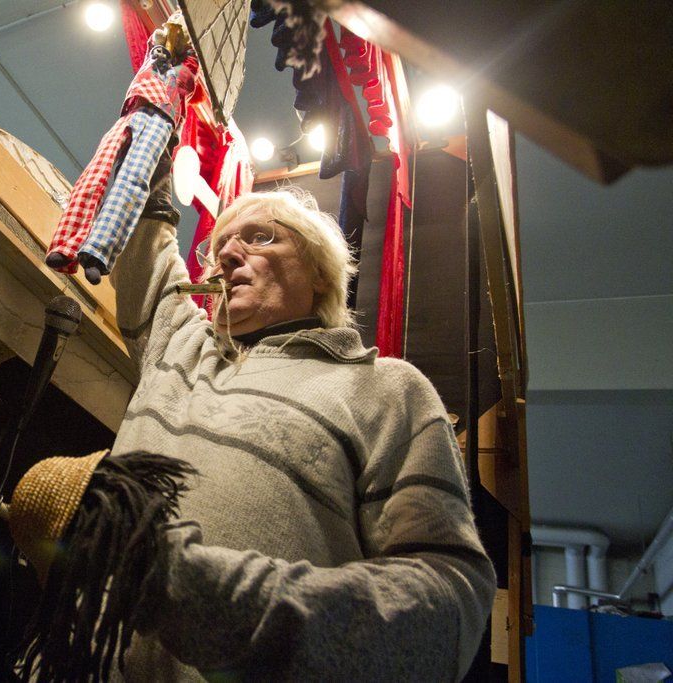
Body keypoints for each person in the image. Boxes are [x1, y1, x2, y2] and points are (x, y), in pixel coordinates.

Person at [104, 176, 496, 681]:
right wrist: (151, 170)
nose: (226, 256)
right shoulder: (180, 345)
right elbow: (146, 245)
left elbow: (448, 602)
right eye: (218, 248)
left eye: (260, 237)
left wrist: (194, 588)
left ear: (320, 274)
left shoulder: (384, 389)